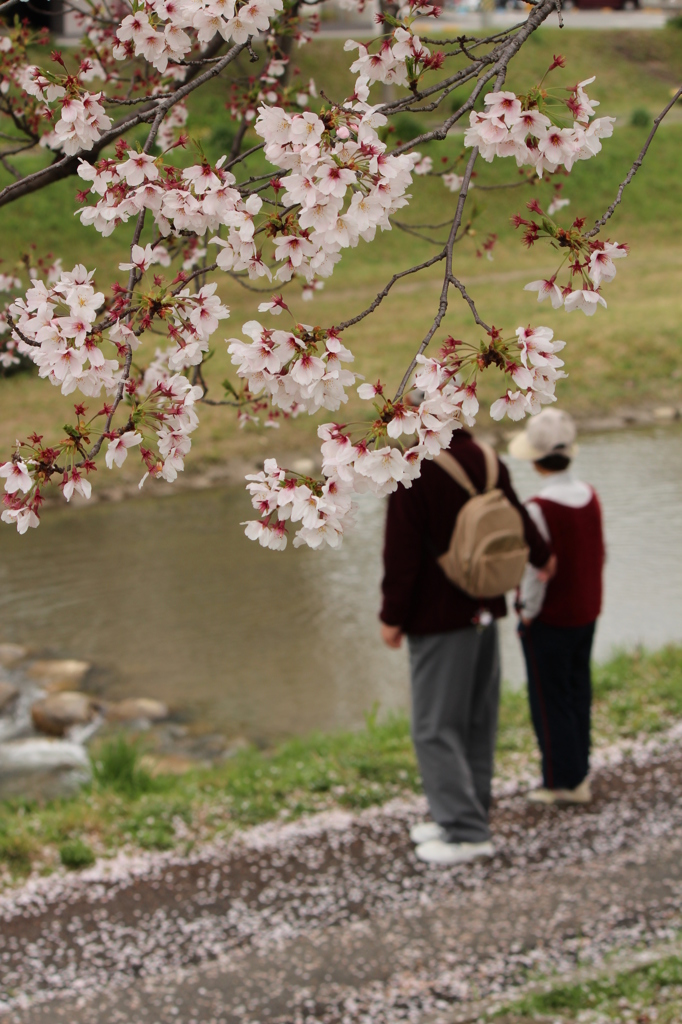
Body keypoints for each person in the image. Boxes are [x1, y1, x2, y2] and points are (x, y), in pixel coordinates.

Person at [380, 417, 553, 866]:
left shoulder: (414, 462)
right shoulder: (487, 457)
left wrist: (391, 616)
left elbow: (401, 550)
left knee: (435, 726)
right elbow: (515, 514)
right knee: (477, 720)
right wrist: (542, 556)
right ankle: (466, 813)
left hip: (437, 616)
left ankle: (464, 831)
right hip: (485, 605)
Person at [509, 407, 605, 806]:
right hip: (586, 610)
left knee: (549, 701)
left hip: (551, 617)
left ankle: (559, 781)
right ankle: (578, 771)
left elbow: (536, 570)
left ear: (535, 459)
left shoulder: (538, 508)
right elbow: (598, 553)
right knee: (578, 690)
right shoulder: (590, 495)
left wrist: (527, 611)